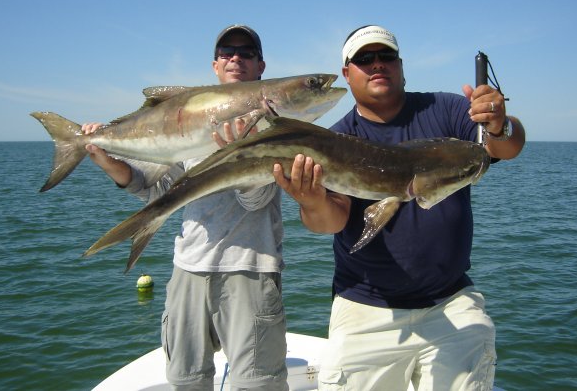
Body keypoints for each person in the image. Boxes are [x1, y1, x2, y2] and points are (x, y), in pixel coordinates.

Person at [274, 25, 526, 390]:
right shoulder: (335, 139)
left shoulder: (447, 109)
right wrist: (311, 201)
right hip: (365, 306)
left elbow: (505, 148)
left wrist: (501, 125)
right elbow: (332, 220)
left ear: (401, 65)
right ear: (347, 74)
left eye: (386, 56)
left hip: (449, 301)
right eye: (364, 59)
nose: (377, 64)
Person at [83, 25, 288, 391]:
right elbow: (158, 188)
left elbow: (256, 200)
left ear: (261, 66)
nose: (236, 58)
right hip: (188, 268)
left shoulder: (275, 127)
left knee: (259, 385)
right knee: (186, 382)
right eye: (227, 52)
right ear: (215, 65)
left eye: (246, 52)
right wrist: (106, 159)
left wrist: (240, 153)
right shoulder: (190, 122)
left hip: (250, 269)